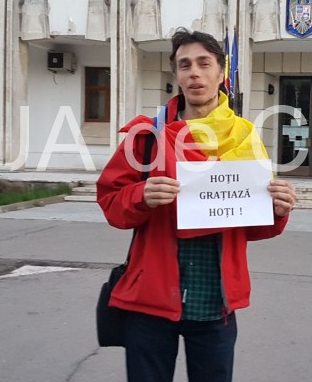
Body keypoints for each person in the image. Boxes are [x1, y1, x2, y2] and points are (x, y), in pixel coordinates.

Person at [97, 29, 297, 382]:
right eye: (185, 65)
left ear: (221, 73)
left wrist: (277, 210)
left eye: (204, 64)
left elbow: (252, 224)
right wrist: (140, 196)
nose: (195, 73)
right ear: (176, 74)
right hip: (150, 301)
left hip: (215, 303)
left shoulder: (245, 138)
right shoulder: (147, 137)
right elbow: (111, 203)